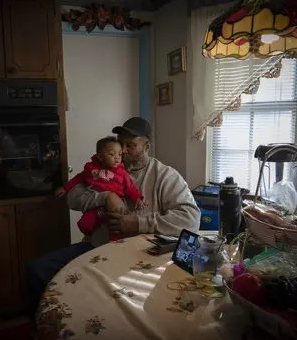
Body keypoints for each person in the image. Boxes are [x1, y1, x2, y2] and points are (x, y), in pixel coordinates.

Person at [25, 117, 200, 318]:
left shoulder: (165, 176)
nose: (122, 150)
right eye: (120, 143)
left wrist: (138, 224)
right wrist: (106, 196)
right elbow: (72, 198)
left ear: (147, 146)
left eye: (130, 145)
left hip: (140, 258)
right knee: (36, 270)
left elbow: (190, 218)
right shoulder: (103, 166)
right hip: (97, 248)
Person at [54, 136, 145, 241]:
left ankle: (115, 241)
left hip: (115, 205)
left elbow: (130, 187)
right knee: (84, 224)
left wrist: (137, 198)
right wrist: (65, 188)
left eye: (119, 155)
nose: (117, 157)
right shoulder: (91, 168)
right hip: (96, 205)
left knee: (114, 225)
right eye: (112, 154)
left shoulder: (121, 172)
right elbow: (79, 178)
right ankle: (90, 236)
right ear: (100, 157)